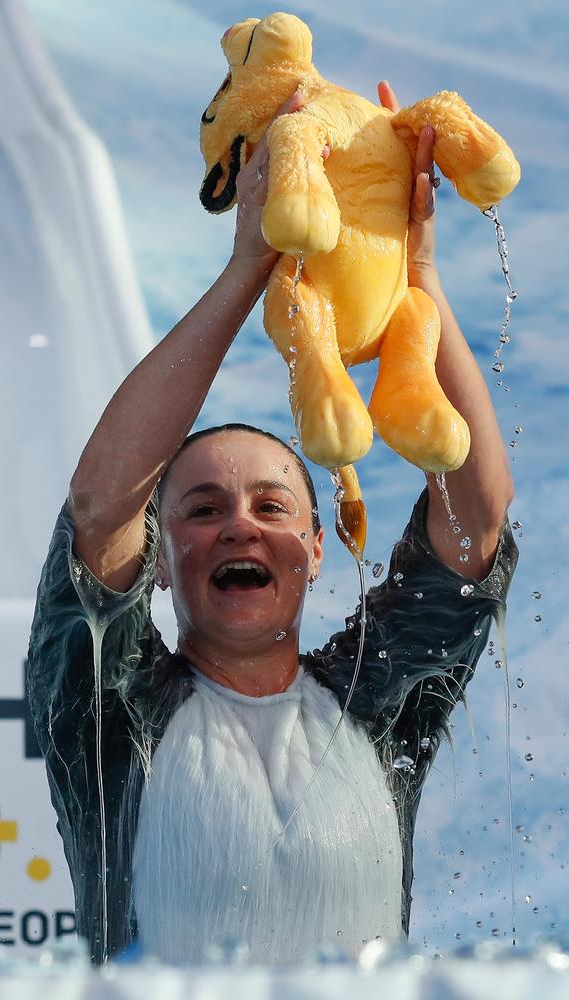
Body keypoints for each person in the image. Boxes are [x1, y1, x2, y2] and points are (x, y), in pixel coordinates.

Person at [27, 83, 517, 966]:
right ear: (162, 559)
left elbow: (474, 523)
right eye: (202, 510)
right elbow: (101, 508)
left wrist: (417, 282)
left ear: (317, 548)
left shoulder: (378, 705)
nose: (240, 529)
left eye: (272, 506)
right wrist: (250, 262)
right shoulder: (110, 714)